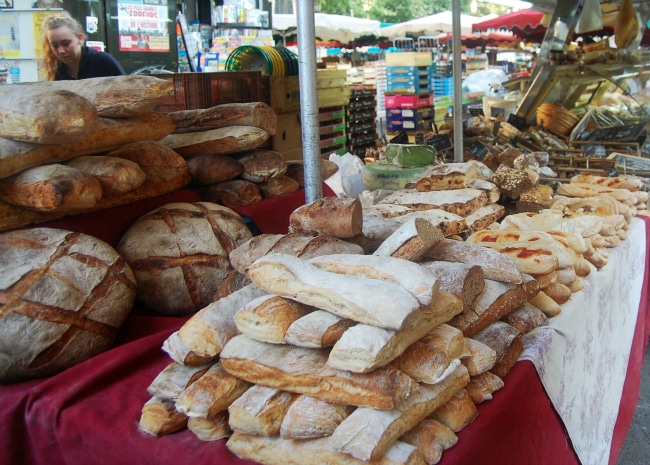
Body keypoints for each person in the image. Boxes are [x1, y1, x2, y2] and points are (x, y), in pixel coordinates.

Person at [39, 11, 125, 81]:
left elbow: (128, 92)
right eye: (55, 45)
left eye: (66, 43)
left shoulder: (103, 61)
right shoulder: (56, 72)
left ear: (80, 38)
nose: (61, 51)